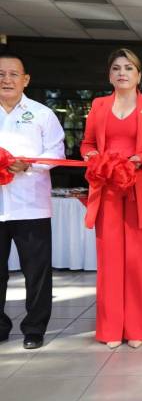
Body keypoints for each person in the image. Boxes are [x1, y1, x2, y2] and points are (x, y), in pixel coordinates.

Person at [81, 48, 142, 349]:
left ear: (139, 75)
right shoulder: (99, 105)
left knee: (138, 262)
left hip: (140, 188)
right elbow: (87, 143)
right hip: (107, 189)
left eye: (129, 68)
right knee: (108, 261)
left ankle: (136, 329)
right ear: (109, 75)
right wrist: (92, 155)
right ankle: (109, 330)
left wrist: (139, 159)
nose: (122, 73)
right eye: (117, 68)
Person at [0, 52, 65, 349]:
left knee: (36, 272)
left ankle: (34, 328)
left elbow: (57, 155)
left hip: (31, 206)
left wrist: (30, 165)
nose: (6, 79)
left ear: (25, 80)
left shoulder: (42, 114)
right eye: (0, 74)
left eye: (13, 74)